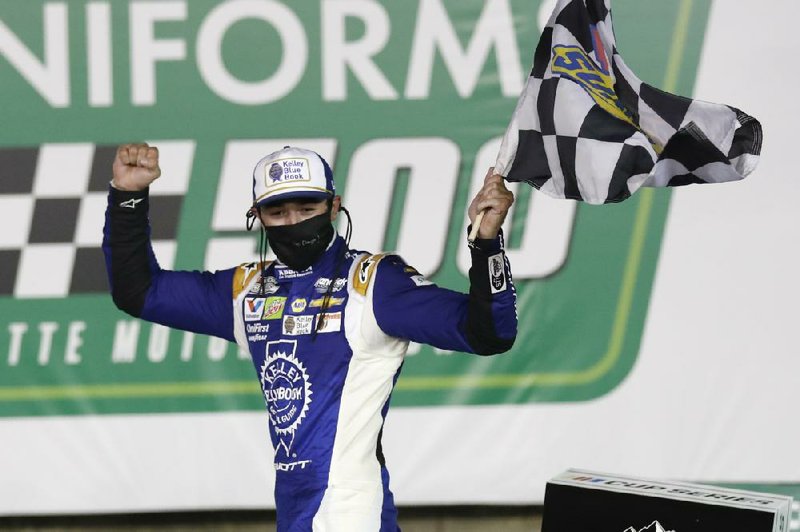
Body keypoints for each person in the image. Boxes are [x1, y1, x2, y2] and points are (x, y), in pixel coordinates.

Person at [103, 143, 517, 531]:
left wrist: (486, 244)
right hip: (296, 511)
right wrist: (127, 199)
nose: (294, 222)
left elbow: (488, 333)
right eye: (278, 212)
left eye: (307, 208)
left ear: (334, 207)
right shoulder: (249, 291)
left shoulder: (374, 283)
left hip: (350, 513)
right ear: (257, 216)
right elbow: (140, 293)